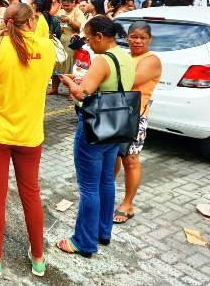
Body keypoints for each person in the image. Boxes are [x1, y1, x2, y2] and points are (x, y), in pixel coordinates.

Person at [0, 3, 55, 278]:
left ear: (6, 22)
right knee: (31, 194)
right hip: (30, 134)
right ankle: (38, 258)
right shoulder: (48, 48)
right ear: (31, 22)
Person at [57, 15, 135, 258]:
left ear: (100, 37)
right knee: (106, 182)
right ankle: (103, 232)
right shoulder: (126, 55)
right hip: (117, 125)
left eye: (90, 39)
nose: (88, 43)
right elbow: (113, 85)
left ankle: (83, 241)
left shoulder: (102, 59)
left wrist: (69, 82)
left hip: (94, 126)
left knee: (89, 187)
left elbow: (81, 94)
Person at [113, 21, 161, 224]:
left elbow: (130, 80)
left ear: (150, 39)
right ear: (127, 37)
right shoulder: (125, 56)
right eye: (133, 36)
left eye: (142, 37)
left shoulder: (151, 60)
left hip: (135, 116)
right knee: (112, 156)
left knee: (130, 160)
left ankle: (128, 204)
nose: (137, 41)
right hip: (116, 111)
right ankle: (106, 194)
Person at [49, 0, 85, 96]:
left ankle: (71, 91)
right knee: (57, 65)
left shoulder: (78, 12)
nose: (65, 7)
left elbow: (81, 28)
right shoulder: (60, 11)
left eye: (67, 5)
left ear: (74, 3)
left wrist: (69, 21)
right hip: (60, 41)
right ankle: (54, 89)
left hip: (71, 43)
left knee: (69, 67)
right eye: (63, 5)